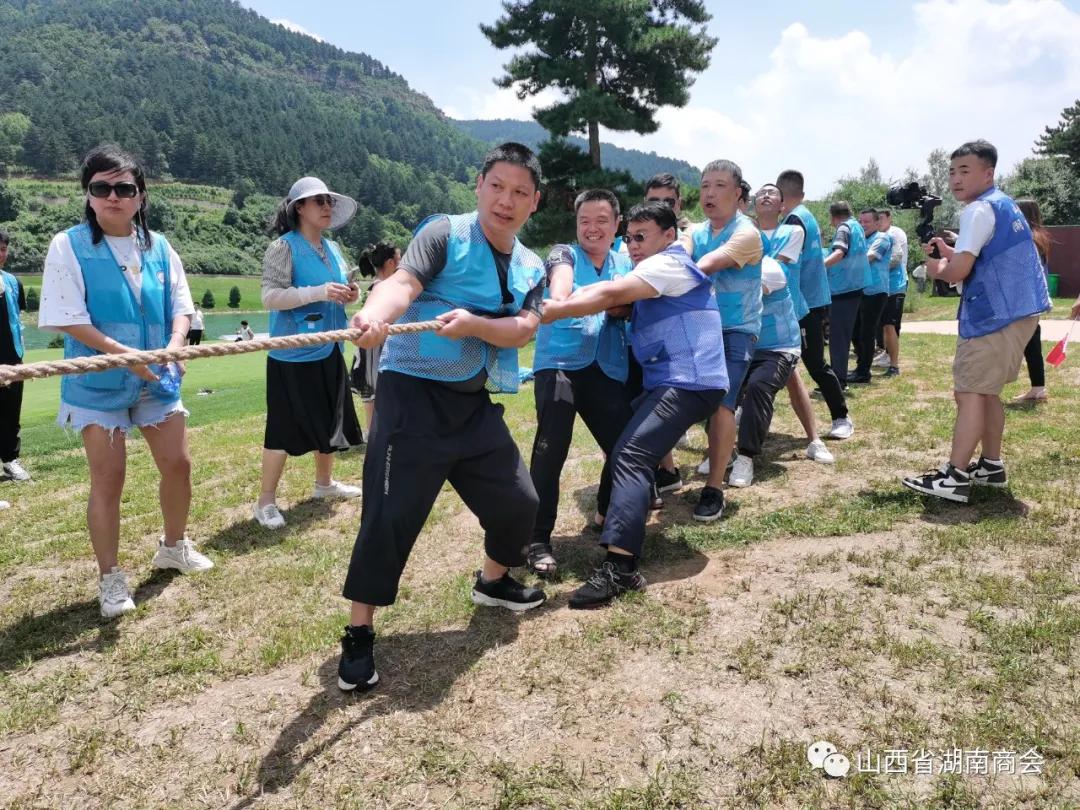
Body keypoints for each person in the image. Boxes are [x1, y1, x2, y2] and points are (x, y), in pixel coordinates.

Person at [338, 143, 549, 691]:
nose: (506, 200)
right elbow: (402, 285)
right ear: (479, 185)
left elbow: (524, 329)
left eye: (519, 192)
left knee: (520, 503)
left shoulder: (531, 265)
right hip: (411, 399)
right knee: (389, 517)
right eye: (497, 186)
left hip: (472, 405)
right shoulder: (444, 235)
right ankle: (360, 634)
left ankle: (494, 582)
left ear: (535, 202)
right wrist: (374, 315)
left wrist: (475, 325)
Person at [38, 144, 213, 618]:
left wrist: (177, 344)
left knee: (178, 464)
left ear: (140, 196)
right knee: (109, 478)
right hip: (97, 385)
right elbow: (67, 317)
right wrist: (123, 356)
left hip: (156, 378)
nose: (112, 196)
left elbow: (181, 305)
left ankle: (173, 546)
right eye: (101, 188)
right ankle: (111, 578)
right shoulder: (67, 245)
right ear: (88, 195)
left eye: (124, 188)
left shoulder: (159, 246)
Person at [541, 201, 728, 607]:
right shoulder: (653, 271)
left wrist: (554, 307)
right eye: (631, 238)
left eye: (642, 237)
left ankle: (620, 569)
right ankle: (614, 529)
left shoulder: (668, 264)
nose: (635, 245)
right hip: (674, 384)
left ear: (668, 236)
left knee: (629, 455)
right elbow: (618, 302)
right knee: (629, 451)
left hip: (689, 382)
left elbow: (611, 291)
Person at [903, 140, 1050, 503]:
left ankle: (954, 477)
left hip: (997, 315)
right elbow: (984, 259)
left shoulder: (979, 210)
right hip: (1018, 311)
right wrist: (950, 256)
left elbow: (959, 271)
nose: (955, 178)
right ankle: (990, 465)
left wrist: (937, 267)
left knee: (968, 392)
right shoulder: (1001, 205)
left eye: (965, 171)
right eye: (952, 171)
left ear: (988, 173)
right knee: (985, 393)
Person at [528, 189, 634, 576]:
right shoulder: (563, 253)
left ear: (616, 225)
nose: (592, 228)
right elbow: (560, 287)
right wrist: (564, 299)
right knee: (551, 448)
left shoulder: (626, 260)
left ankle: (607, 513)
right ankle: (536, 539)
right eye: (584, 221)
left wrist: (617, 303)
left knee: (626, 445)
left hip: (606, 366)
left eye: (601, 221)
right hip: (559, 363)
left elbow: (634, 302)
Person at [253, 177, 364, 530]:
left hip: (330, 347)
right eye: (319, 201)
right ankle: (266, 502)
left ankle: (324, 485)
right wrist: (317, 291)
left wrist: (351, 294)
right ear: (299, 207)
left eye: (329, 201)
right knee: (281, 429)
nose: (327, 207)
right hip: (292, 354)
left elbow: (342, 289)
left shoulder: (332, 248)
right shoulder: (282, 248)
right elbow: (270, 297)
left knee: (331, 420)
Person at [729, 183, 832, 489]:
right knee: (735, 386)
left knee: (787, 376)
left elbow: (772, 268)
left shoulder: (792, 232)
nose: (766, 195)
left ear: (783, 205)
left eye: (773, 193)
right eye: (761, 192)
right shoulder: (747, 233)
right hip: (747, 327)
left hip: (783, 321)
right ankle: (722, 450)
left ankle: (814, 439)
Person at [687, 160, 763, 521]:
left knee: (721, 402)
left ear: (737, 194)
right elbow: (681, 250)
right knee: (701, 402)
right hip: (701, 329)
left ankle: (714, 488)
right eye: (704, 186)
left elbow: (701, 265)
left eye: (719, 186)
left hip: (737, 330)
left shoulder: (746, 233)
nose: (709, 193)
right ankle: (719, 451)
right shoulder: (696, 231)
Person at [776, 171, 854, 441]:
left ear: (780, 196)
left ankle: (841, 416)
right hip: (807, 301)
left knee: (815, 363)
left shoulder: (795, 221)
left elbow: (787, 269)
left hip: (805, 305)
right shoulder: (802, 214)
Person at [350, 242, 401, 428]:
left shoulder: (376, 286)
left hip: (371, 348)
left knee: (372, 400)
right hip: (374, 349)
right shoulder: (381, 288)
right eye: (399, 259)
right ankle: (374, 439)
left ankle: (373, 436)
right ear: (390, 263)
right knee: (374, 397)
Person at [823, 201, 871, 387]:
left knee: (838, 338)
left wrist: (821, 266)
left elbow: (839, 252)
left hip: (843, 289)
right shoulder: (856, 227)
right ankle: (840, 377)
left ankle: (838, 381)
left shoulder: (843, 228)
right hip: (855, 286)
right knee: (844, 335)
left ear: (833, 217)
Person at [1012, 198, 1051, 403]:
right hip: (1034, 299)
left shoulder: (1027, 239)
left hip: (1024, 299)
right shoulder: (1039, 238)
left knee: (1016, 341)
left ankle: (1038, 389)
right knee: (1032, 342)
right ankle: (1038, 389)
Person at [0, 230, 31, 482]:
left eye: (3, 248)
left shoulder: (12, 282)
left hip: (12, 359)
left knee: (11, 413)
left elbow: (16, 321)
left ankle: (10, 461)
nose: (0, 254)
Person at [850, 209, 891, 383]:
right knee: (855, 331)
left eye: (867, 221)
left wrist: (842, 263)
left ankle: (863, 372)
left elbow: (870, 257)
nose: (863, 225)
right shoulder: (861, 240)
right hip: (860, 291)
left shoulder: (882, 238)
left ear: (877, 223)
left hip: (875, 292)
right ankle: (861, 366)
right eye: (860, 221)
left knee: (867, 332)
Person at [877, 209, 909, 377]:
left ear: (889, 218)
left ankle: (894, 365)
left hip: (895, 285)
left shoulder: (893, 234)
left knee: (890, 325)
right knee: (884, 325)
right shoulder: (878, 235)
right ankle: (888, 355)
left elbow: (896, 257)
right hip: (883, 286)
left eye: (881, 218)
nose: (879, 221)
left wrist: (875, 267)